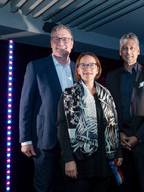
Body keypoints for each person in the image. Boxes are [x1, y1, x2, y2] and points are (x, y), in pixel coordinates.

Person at [19, 24, 75, 192]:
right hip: (44, 141)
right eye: (56, 39)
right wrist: (25, 139)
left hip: (73, 143)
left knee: (67, 187)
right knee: (44, 187)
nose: (61, 43)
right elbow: (25, 105)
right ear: (51, 43)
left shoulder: (78, 69)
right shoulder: (35, 66)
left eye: (65, 39)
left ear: (72, 43)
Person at [56, 52, 123, 192]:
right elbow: (62, 129)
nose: (88, 68)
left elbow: (114, 126)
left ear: (98, 69)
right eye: (83, 65)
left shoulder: (107, 94)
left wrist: (118, 153)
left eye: (92, 65)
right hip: (78, 161)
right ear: (78, 70)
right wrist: (69, 160)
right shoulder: (68, 94)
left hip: (103, 162)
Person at [105, 32, 144, 192]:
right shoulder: (111, 76)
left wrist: (138, 137)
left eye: (132, 48)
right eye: (124, 48)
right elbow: (109, 109)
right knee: (123, 187)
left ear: (138, 51)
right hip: (120, 142)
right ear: (119, 52)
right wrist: (119, 134)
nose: (128, 51)